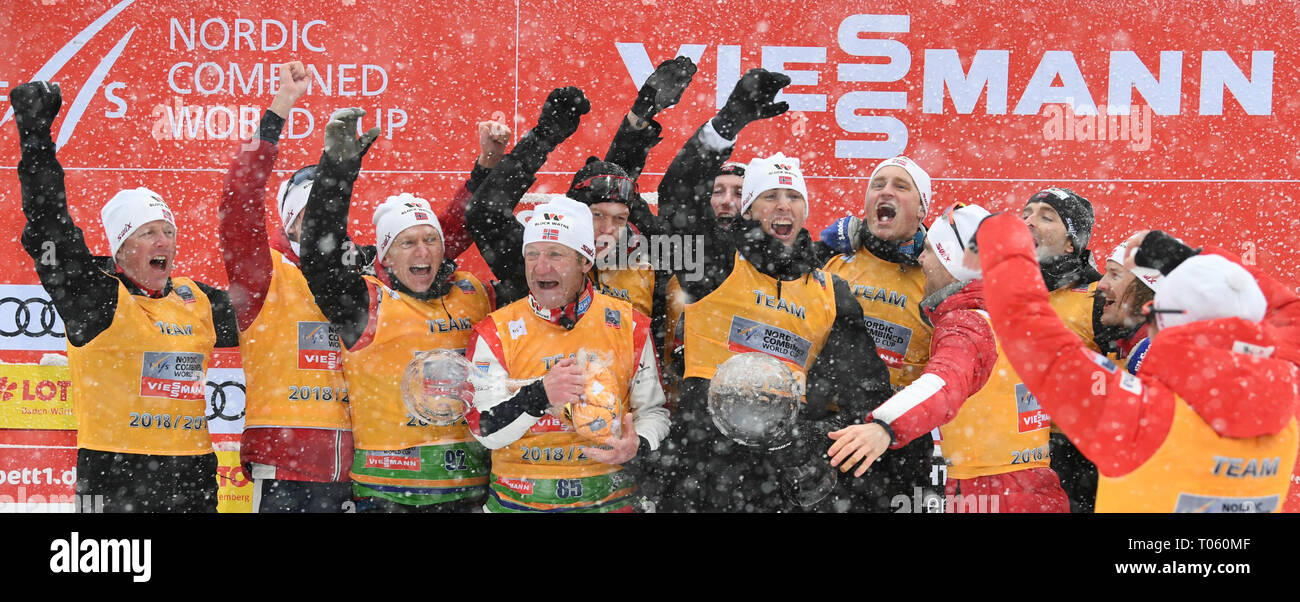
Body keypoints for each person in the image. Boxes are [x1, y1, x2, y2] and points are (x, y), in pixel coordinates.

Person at [218, 63, 507, 512]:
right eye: (304, 215)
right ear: (289, 218)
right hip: (291, 469)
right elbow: (238, 205)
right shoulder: (264, 274)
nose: (314, 222)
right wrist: (277, 112)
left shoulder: (364, 269)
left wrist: (482, 171)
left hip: (364, 470)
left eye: (322, 212)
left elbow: (439, 240)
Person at [655, 68, 927, 512]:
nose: (783, 205)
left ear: (804, 212)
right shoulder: (715, 263)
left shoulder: (830, 291)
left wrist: (820, 437)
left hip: (778, 479)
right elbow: (677, 195)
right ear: (749, 208)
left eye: (793, 197)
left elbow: (865, 394)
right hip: (701, 470)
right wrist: (728, 122)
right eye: (769, 196)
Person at [12, 81, 239, 512]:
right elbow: (49, 225)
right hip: (114, 473)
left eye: (169, 232)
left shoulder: (198, 299)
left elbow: (273, 310)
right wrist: (36, 138)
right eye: (148, 233)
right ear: (120, 250)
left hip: (192, 472)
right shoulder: (96, 298)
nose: (163, 242)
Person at [975, 212, 1297, 512]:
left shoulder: (1141, 417)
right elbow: (1288, 315)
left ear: (1164, 320)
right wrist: (1201, 268)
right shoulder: (1287, 407)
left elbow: (1033, 335)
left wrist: (1003, 237)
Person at [299, 108, 495, 512]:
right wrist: (337, 169)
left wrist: (490, 168)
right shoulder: (364, 302)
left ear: (444, 249)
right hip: (386, 497)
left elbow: (484, 228)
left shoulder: (472, 292)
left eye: (430, 240)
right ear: (385, 256)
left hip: (467, 493)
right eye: (407, 244)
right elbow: (320, 257)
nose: (422, 252)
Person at [826, 203, 1069, 512]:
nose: (921, 258)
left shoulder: (970, 322)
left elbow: (944, 382)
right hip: (1033, 489)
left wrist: (885, 426)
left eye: (930, 250)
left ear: (953, 262)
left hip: (989, 493)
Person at [468, 57, 696, 352]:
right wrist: (542, 138)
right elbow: (485, 212)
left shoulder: (648, 257)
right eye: (596, 215)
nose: (606, 229)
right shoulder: (543, 258)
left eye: (619, 219)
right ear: (574, 215)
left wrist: (641, 116)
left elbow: (620, 181)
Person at [464, 196, 669, 512]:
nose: (541, 267)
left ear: (586, 262)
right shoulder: (495, 330)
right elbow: (484, 430)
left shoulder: (629, 323)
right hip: (519, 503)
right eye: (532, 254)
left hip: (609, 501)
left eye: (556, 255)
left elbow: (654, 412)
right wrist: (539, 395)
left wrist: (637, 443)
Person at [1019, 187, 1105, 513]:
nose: (1029, 222)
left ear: (1071, 241)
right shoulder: (1001, 288)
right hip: (1012, 447)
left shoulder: (1099, 295)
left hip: (1075, 455)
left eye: (1046, 216)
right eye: (1026, 214)